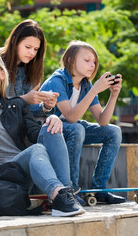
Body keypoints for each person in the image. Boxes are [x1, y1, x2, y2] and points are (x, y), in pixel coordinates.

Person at [0, 49, 85, 217]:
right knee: (36, 150)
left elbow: (36, 133)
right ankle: (61, 196)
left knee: (52, 127)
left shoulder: (16, 105)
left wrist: (53, 118)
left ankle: (66, 194)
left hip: (21, 170)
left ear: (2, 74)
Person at [39, 40, 126, 204]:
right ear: (70, 59)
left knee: (113, 132)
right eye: (86, 60)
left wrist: (113, 94)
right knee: (77, 128)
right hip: (49, 131)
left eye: (94, 62)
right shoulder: (57, 81)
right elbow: (71, 117)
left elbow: (102, 120)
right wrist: (94, 90)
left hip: (72, 129)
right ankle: (71, 190)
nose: (92, 65)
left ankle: (99, 189)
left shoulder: (86, 84)